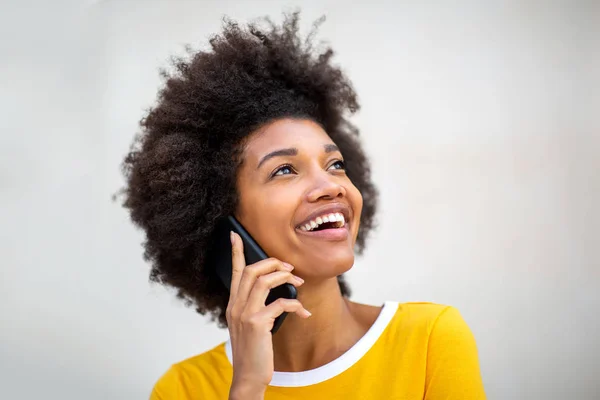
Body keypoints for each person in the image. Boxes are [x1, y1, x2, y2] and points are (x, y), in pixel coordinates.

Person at [120, 12, 486, 400]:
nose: (330, 186)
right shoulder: (184, 389)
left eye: (335, 164)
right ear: (223, 221)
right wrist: (246, 386)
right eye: (284, 170)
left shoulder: (430, 339)